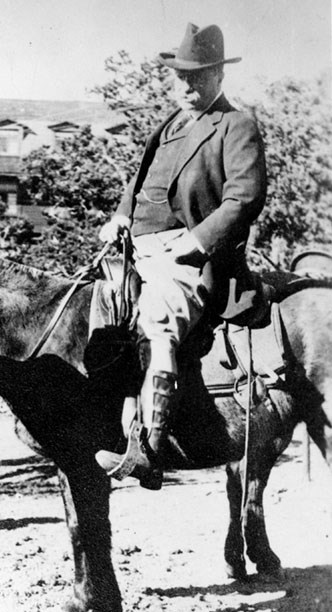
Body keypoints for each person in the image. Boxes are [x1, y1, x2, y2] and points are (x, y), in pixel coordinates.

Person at [95, 23, 267, 488]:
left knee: (158, 318)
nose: (187, 87)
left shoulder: (236, 125)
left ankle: (149, 448)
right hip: (135, 249)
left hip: (189, 256)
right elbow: (140, 186)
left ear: (218, 77)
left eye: (198, 78)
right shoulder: (168, 126)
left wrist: (197, 242)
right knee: (86, 308)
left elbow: (244, 197)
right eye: (180, 78)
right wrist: (120, 217)